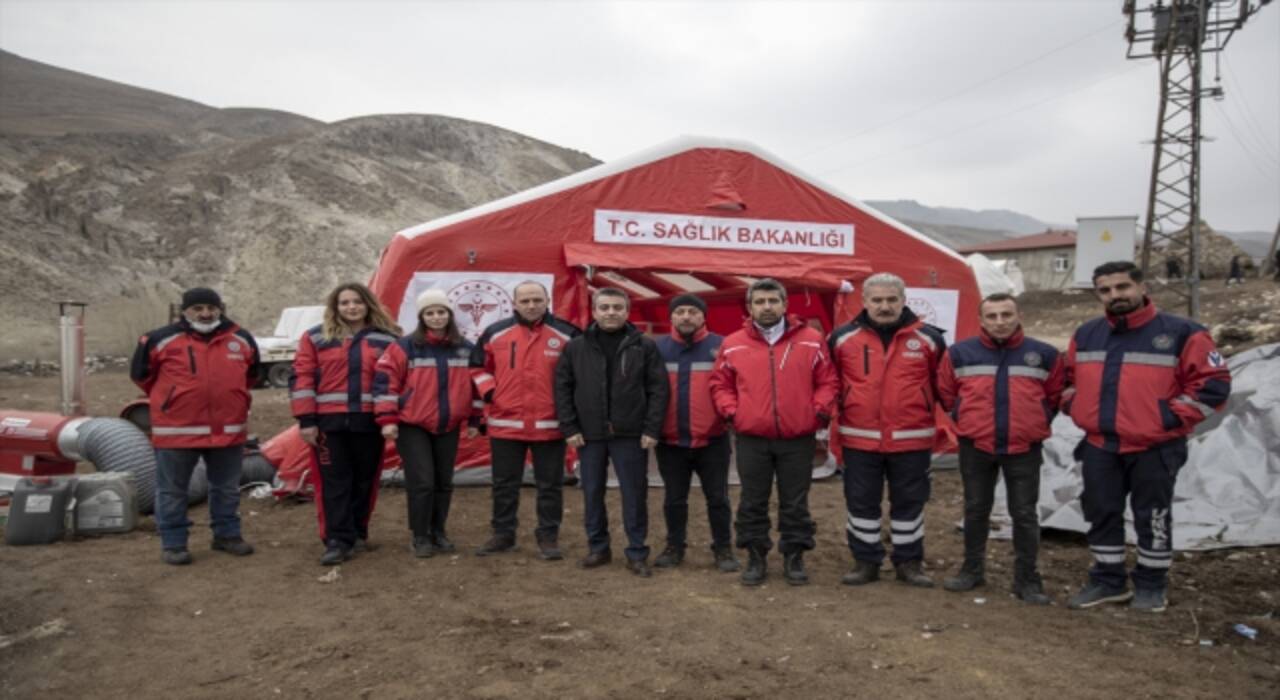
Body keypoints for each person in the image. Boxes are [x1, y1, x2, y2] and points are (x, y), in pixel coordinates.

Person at [1064, 261, 1231, 613]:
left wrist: (1168, 419)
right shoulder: (1087, 334)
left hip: (1154, 447)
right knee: (1101, 512)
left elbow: (1213, 386)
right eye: (1106, 290)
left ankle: (1152, 584)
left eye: (1122, 287)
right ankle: (1108, 580)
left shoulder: (1183, 333)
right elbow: (1066, 379)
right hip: (1100, 445)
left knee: (1152, 515)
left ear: (1141, 287)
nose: (1115, 295)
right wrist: (1074, 404)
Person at [936, 293, 1064, 604]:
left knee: (1024, 513)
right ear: (981, 320)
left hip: (1023, 447)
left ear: (1018, 315)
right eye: (992, 316)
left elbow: (1055, 395)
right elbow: (947, 393)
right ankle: (972, 570)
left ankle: (1027, 579)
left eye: (1006, 315)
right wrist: (965, 418)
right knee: (976, 509)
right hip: (976, 444)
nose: (1000, 322)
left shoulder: (1044, 354)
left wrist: (1037, 420)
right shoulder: (960, 353)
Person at [709, 279, 838, 586]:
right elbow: (720, 384)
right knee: (753, 500)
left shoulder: (811, 339)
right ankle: (755, 556)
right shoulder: (733, 343)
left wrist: (817, 411)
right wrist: (732, 412)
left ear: (784, 304)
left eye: (772, 301)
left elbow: (828, 381)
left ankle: (794, 556)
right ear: (750, 307)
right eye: (760, 302)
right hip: (752, 437)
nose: (766, 307)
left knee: (795, 501)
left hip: (798, 437)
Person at [829, 272, 946, 588]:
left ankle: (908, 562)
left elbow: (943, 388)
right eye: (877, 300)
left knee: (910, 502)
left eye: (891, 299)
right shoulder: (841, 339)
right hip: (859, 439)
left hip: (911, 440)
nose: (884, 306)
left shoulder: (930, 339)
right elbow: (832, 386)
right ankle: (865, 562)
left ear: (903, 300)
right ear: (864, 301)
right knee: (861, 504)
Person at [130, 287, 259, 565]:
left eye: (211, 308)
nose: (205, 313)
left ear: (220, 309)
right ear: (184, 311)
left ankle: (227, 536)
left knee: (226, 488)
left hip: (227, 431)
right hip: (177, 430)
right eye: (198, 308)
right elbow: (142, 376)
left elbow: (251, 376)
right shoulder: (159, 339)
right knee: (172, 490)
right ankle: (174, 543)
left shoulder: (242, 339)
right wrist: (176, 399)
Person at [554, 287, 668, 576]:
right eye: (604, 307)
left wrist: (651, 428)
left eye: (617, 307)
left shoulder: (644, 345)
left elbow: (658, 389)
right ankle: (598, 548)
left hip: (630, 433)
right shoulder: (576, 347)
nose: (611, 313)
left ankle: (637, 552)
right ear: (594, 311)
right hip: (588, 434)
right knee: (592, 492)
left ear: (627, 312)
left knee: (634, 493)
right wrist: (569, 427)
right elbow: (562, 388)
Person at [290, 282, 401, 566]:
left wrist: (390, 417)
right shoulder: (315, 338)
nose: (351, 307)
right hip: (329, 424)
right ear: (335, 307)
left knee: (365, 481)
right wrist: (306, 420)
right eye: (344, 303)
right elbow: (302, 379)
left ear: (368, 304)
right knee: (334, 484)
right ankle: (337, 540)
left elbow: (394, 381)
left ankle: (358, 531)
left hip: (369, 423)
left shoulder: (387, 339)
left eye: (357, 302)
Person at [470, 281, 581, 559]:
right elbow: (476, 367)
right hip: (506, 423)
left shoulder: (568, 334)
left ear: (547, 301)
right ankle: (503, 534)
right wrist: (492, 392)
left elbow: (581, 375)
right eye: (525, 301)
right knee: (504, 484)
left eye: (537, 300)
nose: (531, 305)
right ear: (514, 303)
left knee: (550, 486)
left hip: (550, 425)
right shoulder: (495, 333)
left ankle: (548, 537)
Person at [373, 290, 481, 558]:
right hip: (413, 424)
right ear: (422, 317)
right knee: (422, 481)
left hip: (449, 425)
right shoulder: (403, 347)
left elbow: (477, 387)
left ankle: (438, 532)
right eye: (430, 313)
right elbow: (385, 383)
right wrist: (387, 419)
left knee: (444, 481)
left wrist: (475, 419)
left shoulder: (465, 348)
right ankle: (420, 536)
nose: (436, 317)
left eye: (441, 312)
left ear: (450, 315)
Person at [653, 294, 740, 573]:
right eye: (680, 312)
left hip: (712, 440)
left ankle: (723, 548)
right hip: (671, 441)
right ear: (672, 317)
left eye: (693, 311)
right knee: (674, 499)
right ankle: (674, 546)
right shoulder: (657, 348)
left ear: (704, 316)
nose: (687, 316)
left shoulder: (723, 345)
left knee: (718, 498)